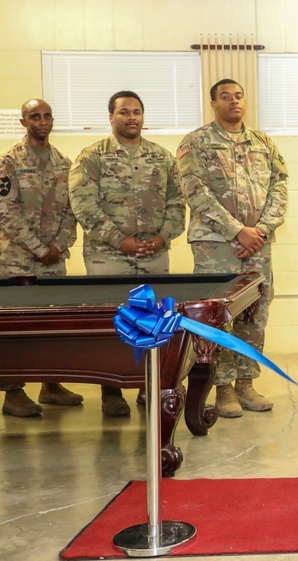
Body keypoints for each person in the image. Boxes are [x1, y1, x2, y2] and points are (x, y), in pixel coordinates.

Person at [68, 90, 186, 417]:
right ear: (111, 117)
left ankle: (148, 386)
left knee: (152, 323)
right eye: (124, 112)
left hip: (153, 254)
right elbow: (84, 205)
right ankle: (111, 392)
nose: (131, 117)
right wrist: (119, 240)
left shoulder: (163, 158)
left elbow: (177, 202)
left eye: (136, 112)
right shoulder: (92, 156)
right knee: (114, 325)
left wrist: (163, 237)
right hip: (108, 256)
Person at [178, 79, 287, 418]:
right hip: (216, 246)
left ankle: (246, 383)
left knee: (255, 315)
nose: (234, 102)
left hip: (259, 246)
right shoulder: (195, 142)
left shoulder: (263, 142)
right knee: (217, 318)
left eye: (238, 96)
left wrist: (262, 230)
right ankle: (221, 389)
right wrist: (237, 231)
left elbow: (279, 186)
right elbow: (194, 192)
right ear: (213, 103)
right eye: (225, 97)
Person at [0, 99, 82, 417]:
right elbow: (5, 212)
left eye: (48, 116)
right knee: (19, 330)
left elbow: (73, 212)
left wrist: (59, 247)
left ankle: (51, 385)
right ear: (24, 122)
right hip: (18, 261)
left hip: (54, 261)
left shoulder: (64, 163)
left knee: (54, 325)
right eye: (35, 116)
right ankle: (13, 392)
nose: (43, 121)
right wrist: (38, 249)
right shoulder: (8, 162)